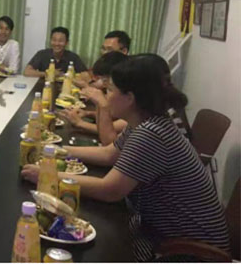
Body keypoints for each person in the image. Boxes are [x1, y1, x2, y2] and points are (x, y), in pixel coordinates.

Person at [22, 55, 230, 261]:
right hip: (161, 234)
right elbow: (108, 153)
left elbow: (110, 190)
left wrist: (48, 175)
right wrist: (54, 149)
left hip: (186, 252)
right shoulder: (144, 122)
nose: (106, 96)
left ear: (130, 98)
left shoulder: (152, 133)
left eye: (111, 90)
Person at [58, 51, 129, 145]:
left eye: (105, 79)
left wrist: (80, 123)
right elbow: (112, 115)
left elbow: (110, 137)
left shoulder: (132, 103)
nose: (103, 83)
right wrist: (88, 113)